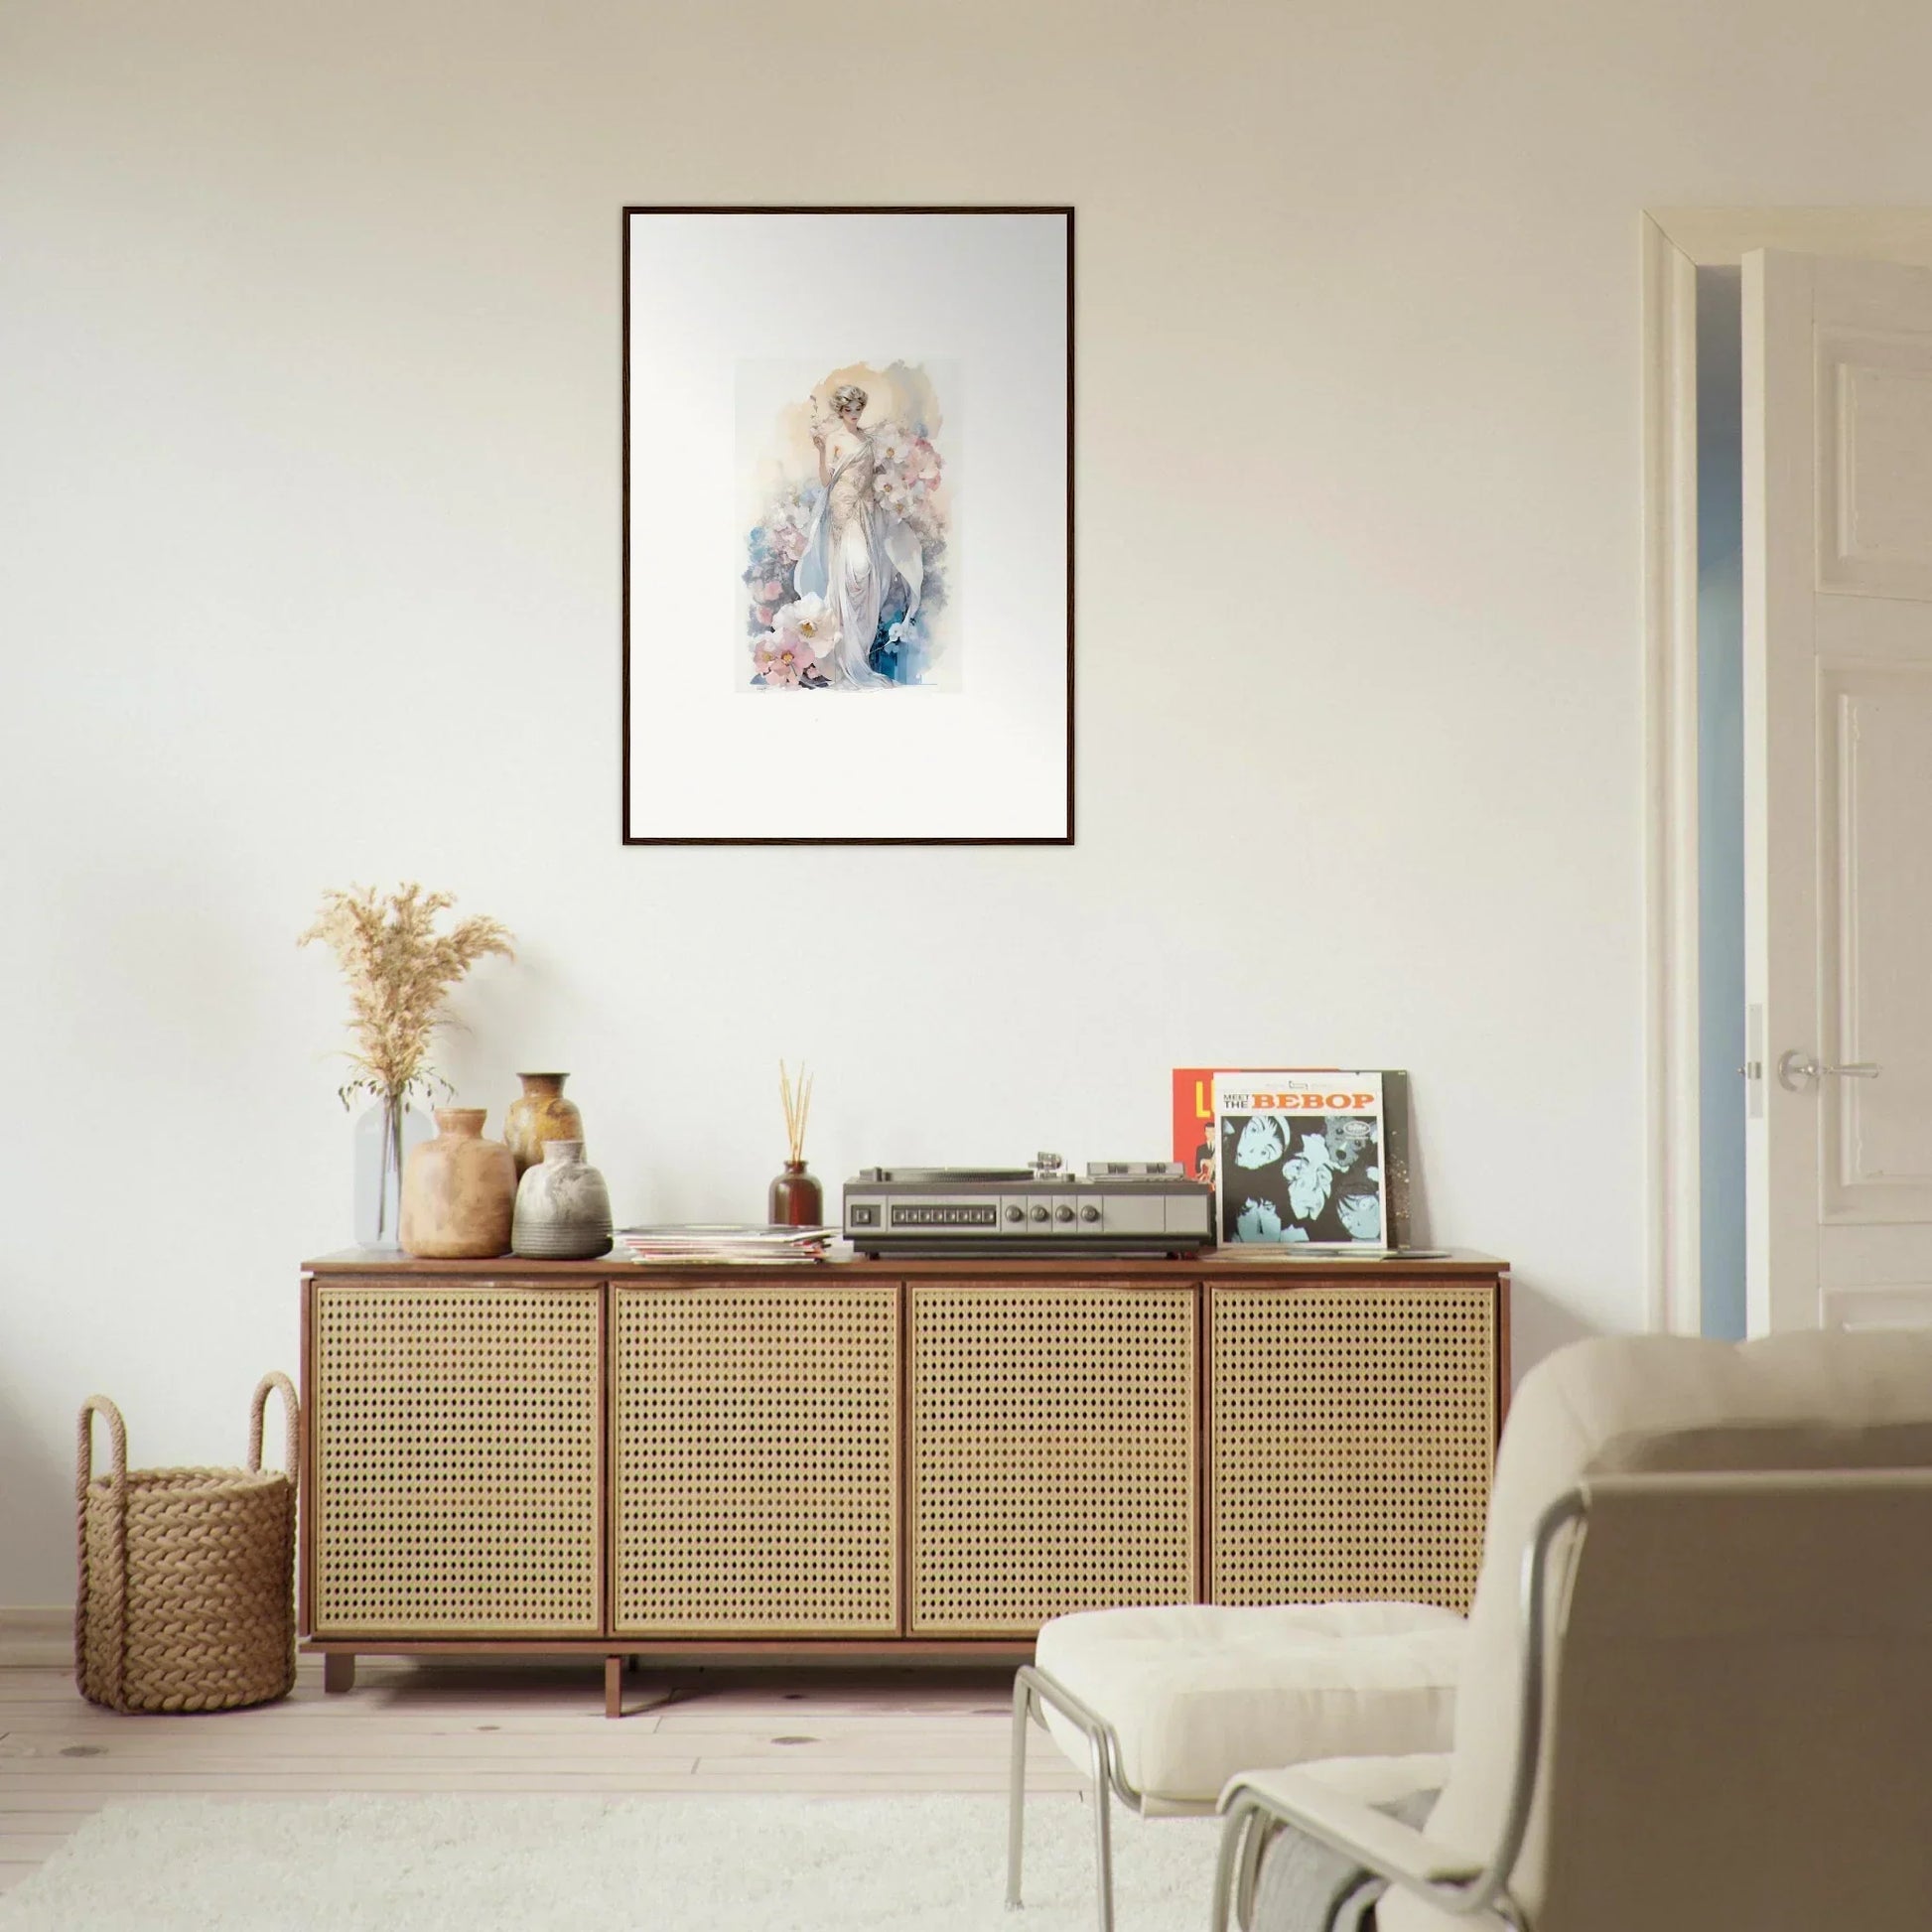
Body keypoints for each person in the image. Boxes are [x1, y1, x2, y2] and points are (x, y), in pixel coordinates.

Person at [791, 383, 923, 687]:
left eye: (858, 409)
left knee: (864, 574)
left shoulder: (867, 439)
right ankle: (844, 660)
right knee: (851, 571)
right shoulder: (835, 439)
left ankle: (857, 656)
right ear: (840, 411)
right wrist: (823, 451)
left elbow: (874, 477)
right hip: (842, 510)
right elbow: (827, 480)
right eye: (848, 410)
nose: (854, 415)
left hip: (865, 510)